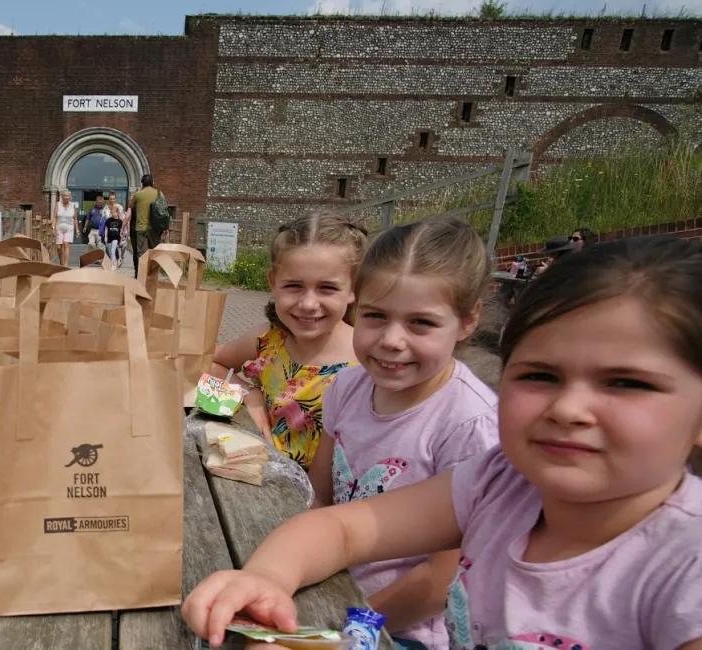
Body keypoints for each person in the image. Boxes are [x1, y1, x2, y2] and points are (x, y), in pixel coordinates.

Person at [183, 235, 702, 650]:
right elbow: (334, 521)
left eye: (627, 384)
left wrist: (346, 630)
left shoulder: (683, 570)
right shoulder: (501, 482)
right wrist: (267, 577)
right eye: (540, 375)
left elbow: (426, 579)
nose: (567, 409)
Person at [305, 217, 499, 649]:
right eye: (375, 316)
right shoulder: (347, 387)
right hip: (332, 589)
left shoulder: (471, 425)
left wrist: (345, 629)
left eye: (421, 324)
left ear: (468, 321)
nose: (392, 340)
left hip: (404, 629)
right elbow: (320, 496)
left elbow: (438, 582)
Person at [212, 213, 367, 470]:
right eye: (294, 286)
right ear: (273, 283)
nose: (308, 304)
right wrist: (249, 394)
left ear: (353, 288)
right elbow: (206, 359)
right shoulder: (268, 341)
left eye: (327, 288)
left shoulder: (367, 361)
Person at [128, 174, 162, 277]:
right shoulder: (159, 193)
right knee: (154, 253)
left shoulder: (138, 195)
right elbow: (163, 209)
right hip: (155, 229)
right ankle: (152, 276)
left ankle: (140, 277)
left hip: (141, 229)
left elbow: (130, 208)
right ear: (152, 182)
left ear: (142, 183)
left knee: (141, 254)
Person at [52, 189, 77, 266]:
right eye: (65, 196)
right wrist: (53, 227)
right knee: (59, 247)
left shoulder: (73, 205)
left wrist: (77, 230)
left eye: (68, 196)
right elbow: (55, 217)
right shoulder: (58, 204)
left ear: (70, 197)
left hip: (69, 228)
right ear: (62, 196)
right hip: (59, 228)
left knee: (66, 244)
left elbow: (75, 218)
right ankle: (61, 262)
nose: (66, 197)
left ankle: (65, 265)